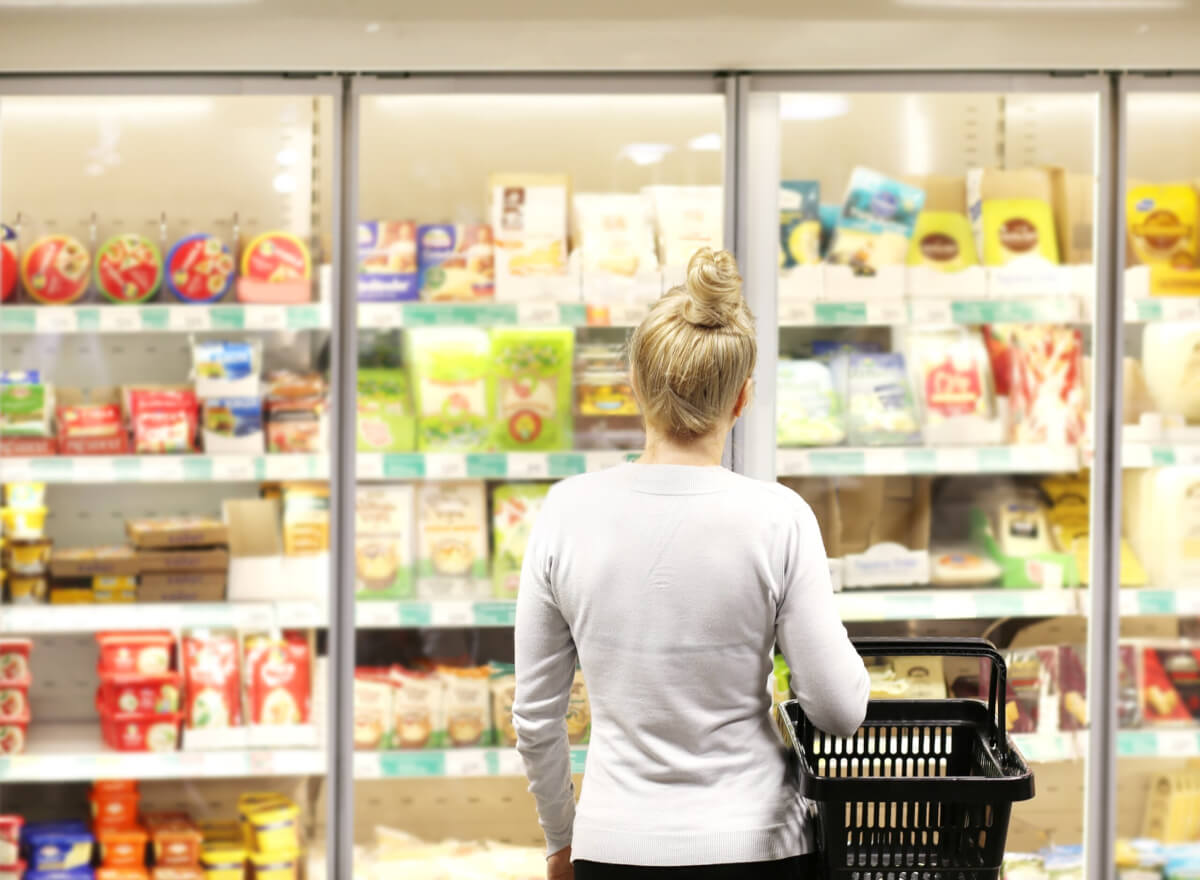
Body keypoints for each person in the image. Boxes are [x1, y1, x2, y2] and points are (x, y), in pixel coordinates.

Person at [513, 247, 871, 880]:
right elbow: (839, 711)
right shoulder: (779, 517)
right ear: (743, 400)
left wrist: (560, 840)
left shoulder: (565, 512)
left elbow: (538, 719)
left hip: (613, 845)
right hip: (758, 845)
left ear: (634, 389)